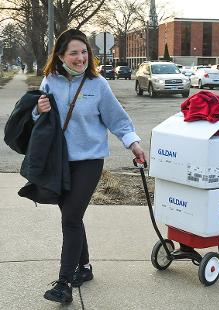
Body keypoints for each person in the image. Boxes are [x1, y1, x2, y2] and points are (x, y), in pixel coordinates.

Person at [34, 29, 146, 304]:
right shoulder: (50, 80)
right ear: (61, 56)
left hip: (89, 161)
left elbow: (117, 120)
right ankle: (83, 267)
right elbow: (38, 116)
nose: (80, 58)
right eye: (73, 53)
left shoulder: (97, 84)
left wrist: (133, 143)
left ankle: (63, 282)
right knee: (72, 216)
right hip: (59, 161)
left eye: (84, 52)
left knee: (70, 217)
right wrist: (39, 108)